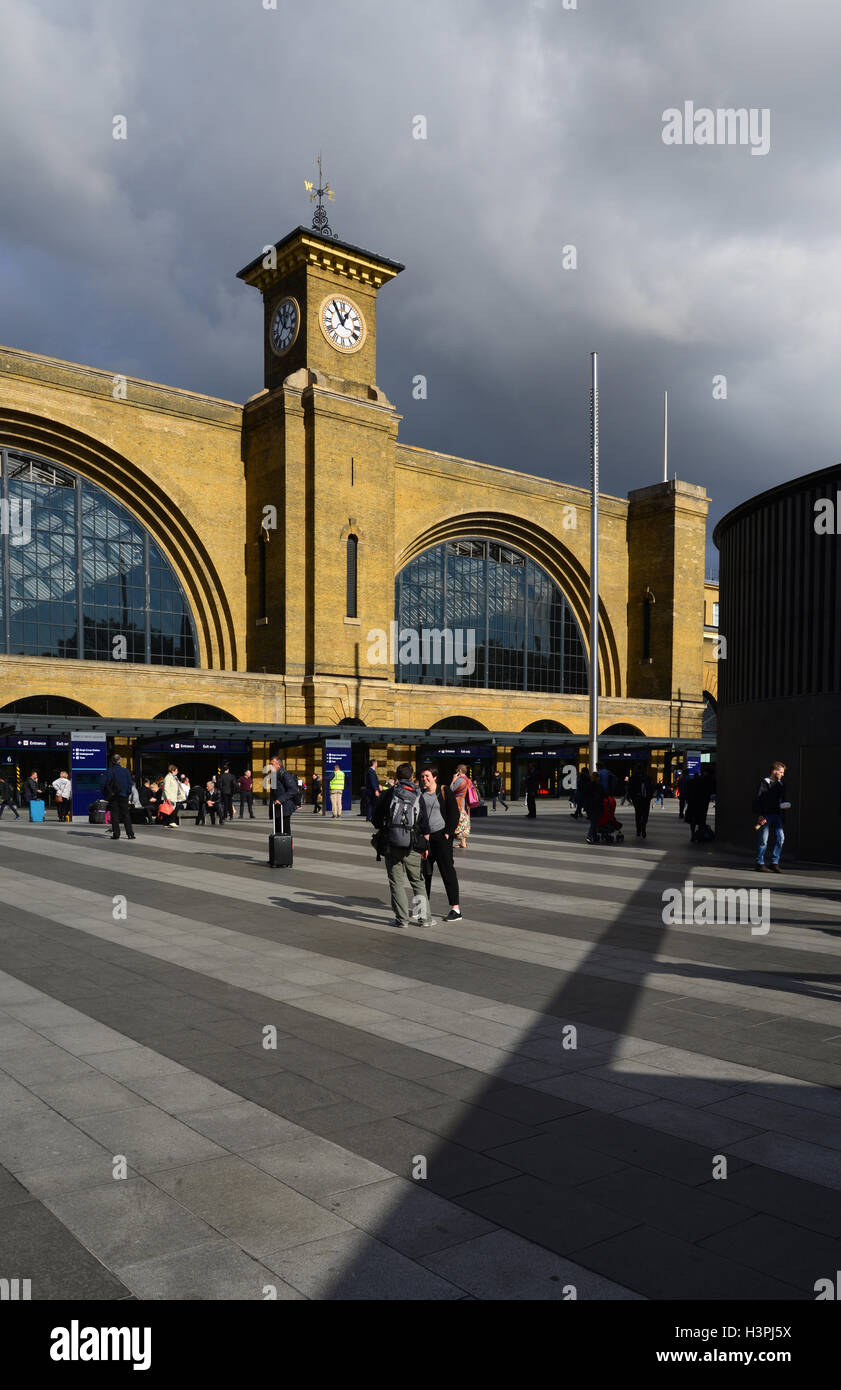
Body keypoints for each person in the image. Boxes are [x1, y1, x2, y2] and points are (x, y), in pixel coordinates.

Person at [372, 763, 426, 929]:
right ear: (412, 777)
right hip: (413, 845)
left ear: (396, 777)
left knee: (396, 883)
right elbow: (425, 824)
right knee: (417, 882)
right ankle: (424, 918)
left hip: (392, 844)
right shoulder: (418, 794)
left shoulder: (389, 794)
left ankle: (402, 920)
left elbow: (375, 819)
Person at [418, 765, 462, 922]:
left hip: (442, 838)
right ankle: (422, 907)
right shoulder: (420, 794)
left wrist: (448, 833)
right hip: (426, 839)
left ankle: (456, 909)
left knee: (447, 872)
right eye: (422, 776)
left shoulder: (444, 791)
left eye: (427, 776)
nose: (424, 779)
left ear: (434, 777)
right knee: (424, 874)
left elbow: (454, 813)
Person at [753, 760, 790, 873]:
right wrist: (760, 815)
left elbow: (782, 800)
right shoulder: (765, 782)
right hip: (766, 815)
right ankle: (759, 863)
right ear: (774, 771)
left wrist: (784, 807)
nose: (783, 774)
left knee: (781, 838)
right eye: (781, 772)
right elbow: (758, 799)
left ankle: (774, 862)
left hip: (777, 815)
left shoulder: (781, 784)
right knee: (763, 840)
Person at [101, 754, 136, 841]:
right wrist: (127, 793)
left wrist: (107, 794)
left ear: (112, 761)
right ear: (120, 761)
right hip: (124, 795)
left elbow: (103, 784)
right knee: (126, 815)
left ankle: (116, 834)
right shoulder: (125, 771)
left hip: (113, 796)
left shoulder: (109, 771)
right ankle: (130, 834)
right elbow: (130, 783)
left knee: (114, 815)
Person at [272, 758, 299, 834]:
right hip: (278, 807)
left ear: (278, 765)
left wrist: (281, 799)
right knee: (278, 830)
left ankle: (287, 842)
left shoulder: (284, 774)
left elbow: (293, 790)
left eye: (272, 764)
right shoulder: (274, 775)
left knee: (285, 830)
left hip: (285, 806)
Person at [685, 772, 713, 844]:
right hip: (701, 804)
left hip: (692, 804)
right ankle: (700, 835)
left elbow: (688, 792)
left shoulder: (691, 782)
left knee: (693, 820)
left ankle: (693, 834)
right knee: (701, 820)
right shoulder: (703, 783)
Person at [629, 763, 654, 839]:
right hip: (644, 799)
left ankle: (639, 829)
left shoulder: (633, 778)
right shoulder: (647, 778)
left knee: (638, 815)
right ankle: (642, 827)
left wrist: (632, 797)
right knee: (644, 815)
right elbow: (652, 788)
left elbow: (630, 789)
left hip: (639, 799)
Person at [450, 764, 471, 848]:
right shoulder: (468, 780)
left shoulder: (460, 780)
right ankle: (463, 842)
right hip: (464, 802)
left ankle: (453, 841)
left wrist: (453, 779)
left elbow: (451, 789)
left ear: (459, 771)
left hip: (457, 802)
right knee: (463, 821)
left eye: (457, 770)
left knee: (457, 821)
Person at [584, 771, 606, 845]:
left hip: (589, 807)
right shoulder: (600, 786)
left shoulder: (588, 785)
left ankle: (595, 836)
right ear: (598, 778)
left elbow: (585, 796)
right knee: (594, 822)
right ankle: (589, 836)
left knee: (593, 822)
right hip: (597, 806)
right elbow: (604, 795)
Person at [365, 759, 381, 823]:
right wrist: (376, 790)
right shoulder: (371, 771)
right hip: (372, 791)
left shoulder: (371, 771)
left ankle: (369, 817)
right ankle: (371, 817)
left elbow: (374, 780)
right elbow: (372, 781)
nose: (377, 764)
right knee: (373, 804)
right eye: (376, 763)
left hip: (371, 790)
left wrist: (379, 785)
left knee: (371, 804)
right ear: (374, 763)